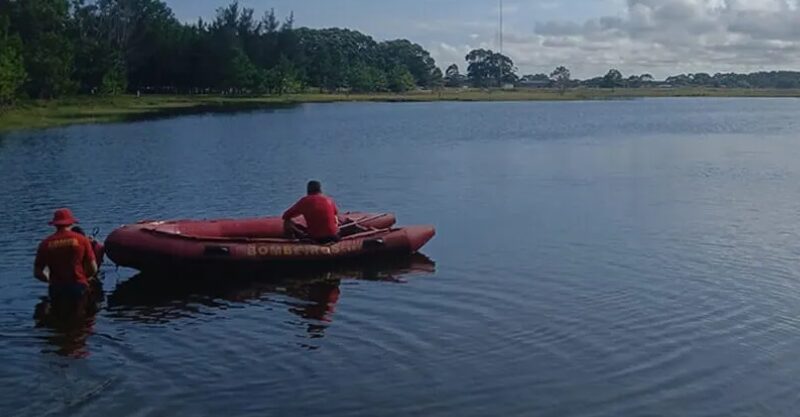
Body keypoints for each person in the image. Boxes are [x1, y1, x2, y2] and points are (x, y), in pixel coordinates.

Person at [34, 208, 98, 302]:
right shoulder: (82, 240)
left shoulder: (45, 243)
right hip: (78, 287)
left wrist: (50, 280)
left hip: (56, 289)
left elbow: (37, 272)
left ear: (55, 224)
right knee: (82, 315)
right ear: (71, 223)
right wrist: (84, 278)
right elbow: (93, 268)